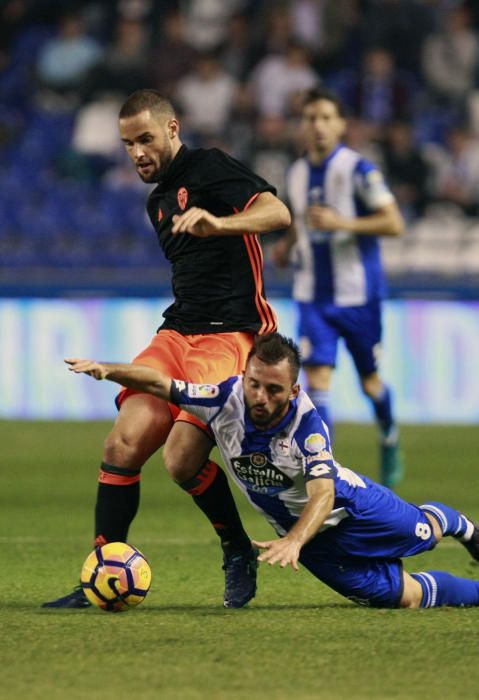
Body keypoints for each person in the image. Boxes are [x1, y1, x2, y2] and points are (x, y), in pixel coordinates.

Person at [43, 89, 291, 610]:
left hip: (232, 335)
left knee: (180, 461)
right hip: (177, 334)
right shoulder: (157, 202)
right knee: (122, 445)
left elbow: (278, 213)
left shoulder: (211, 168)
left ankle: (236, 548)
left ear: (173, 129)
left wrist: (220, 222)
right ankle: (103, 569)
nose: (137, 152)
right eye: (128, 143)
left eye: (146, 139)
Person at [64, 332, 479, 610]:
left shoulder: (308, 428)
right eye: (254, 384)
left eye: (274, 389)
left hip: (353, 510)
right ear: (245, 375)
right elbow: (161, 384)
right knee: (400, 599)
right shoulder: (222, 398)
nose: (260, 397)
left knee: (426, 535)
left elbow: (323, 495)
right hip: (312, 545)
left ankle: (465, 528)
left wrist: (295, 540)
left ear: (293, 391)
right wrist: (108, 369)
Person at [271, 87, 404, 488]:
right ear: (302, 125)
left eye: (327, 117)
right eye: (311, 118)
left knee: (370, 383)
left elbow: (394, 223)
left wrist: (343, 223)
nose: (318, 126)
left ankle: (389, 437)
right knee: (318, 382)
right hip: (313, 295)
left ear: (342, 125)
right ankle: (324, 470)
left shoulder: (359, 170)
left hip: (360, 297)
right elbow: (300, 222)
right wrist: (287, 245)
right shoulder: (294, 174)